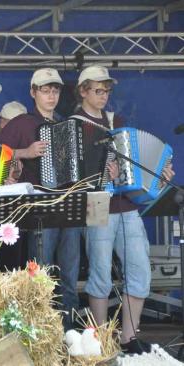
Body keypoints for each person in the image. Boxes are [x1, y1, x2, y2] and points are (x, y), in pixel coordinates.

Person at [74, 65, 175, 354]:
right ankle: (100, 339)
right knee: (100, 271)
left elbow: (134, 167)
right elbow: (71, 173)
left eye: (106, 90)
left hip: (126, 204)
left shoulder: (116, 120)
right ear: (83, 91)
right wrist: (101, 173)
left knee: (139, 268)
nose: (103, 95)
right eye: (97, 89)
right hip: (95, 203)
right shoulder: (74, 125)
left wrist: (158, 175)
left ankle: (129, 337)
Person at [0, 68, 82, 331]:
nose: (51, 95)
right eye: (45, 90)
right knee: (41, 272)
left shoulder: (65, 124)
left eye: (55, 90)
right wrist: (25, 152)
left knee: (69, 274)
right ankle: (40, 331)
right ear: (33, 92)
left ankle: (67, 331)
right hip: (39, 208)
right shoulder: (23, 122)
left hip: (67, 202)